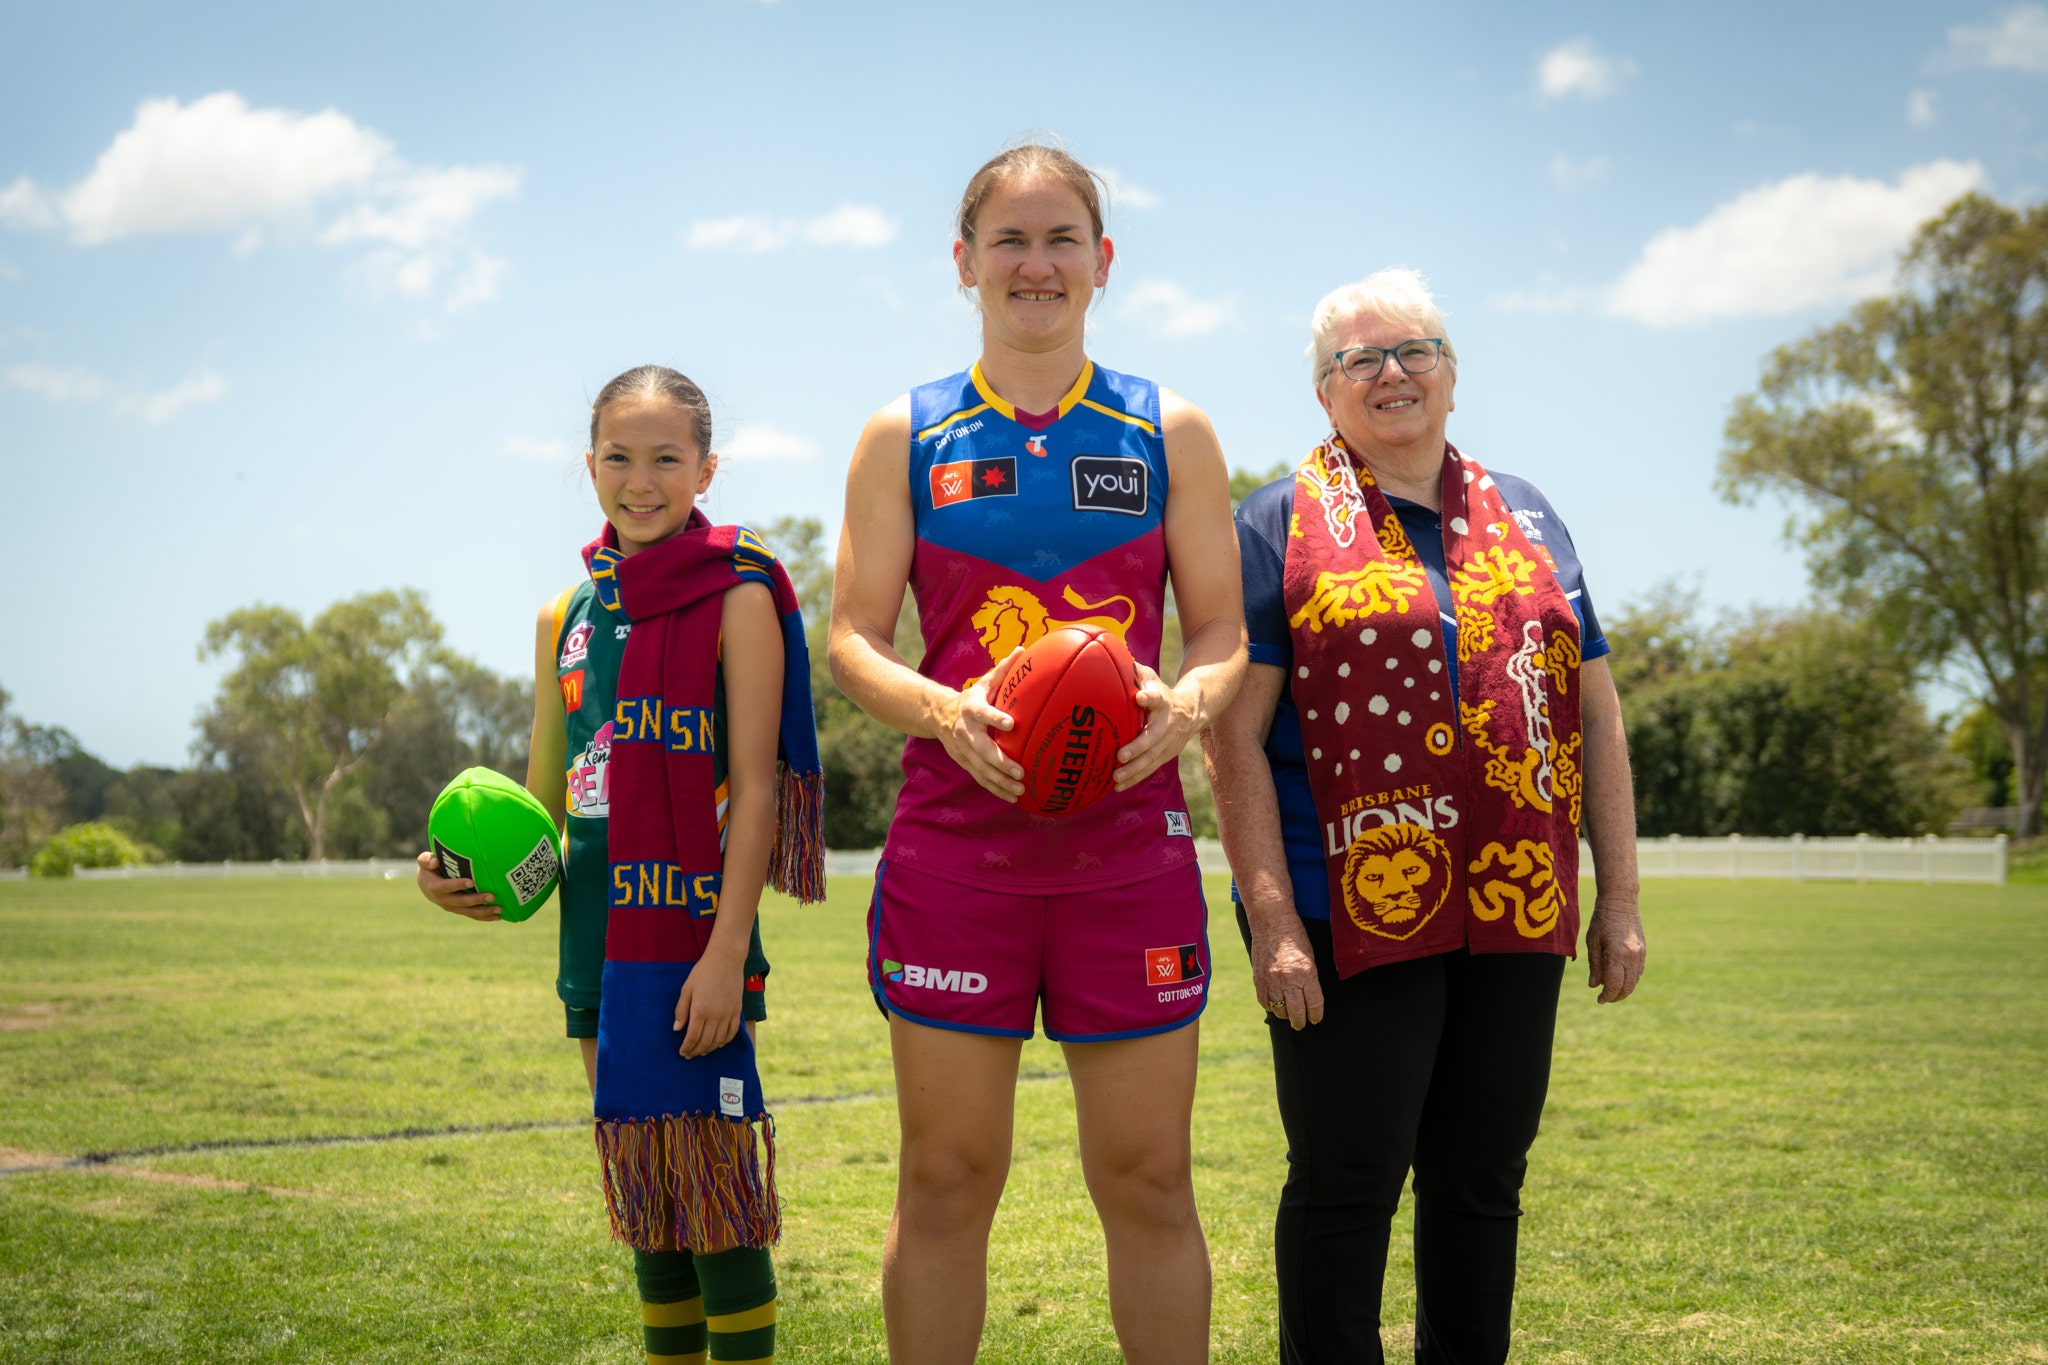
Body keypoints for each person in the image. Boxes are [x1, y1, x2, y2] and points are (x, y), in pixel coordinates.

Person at [828, 143, 1247, 1365]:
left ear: (1102, 263)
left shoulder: (1168, 428)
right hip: (957, 857)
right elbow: (850, 638)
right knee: (947, 1179)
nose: (1035, 263)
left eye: (1061, 238)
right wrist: (944, 712)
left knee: (1150, 1180)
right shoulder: (899, 434)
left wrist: (1190, 702)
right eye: (1008, 241)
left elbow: (1218, 629)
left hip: (1129, 853)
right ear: (962, 264)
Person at [1203, 269, 1646, 1365]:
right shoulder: (1271, 522)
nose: (1390, 374)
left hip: (1516, 894)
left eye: (1414, 351)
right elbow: (1231, 735)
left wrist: (1620, 898)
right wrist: (1270, 919)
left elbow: (1593, 710)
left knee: (1481, 1179)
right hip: (1345, 901)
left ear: (1452, 372)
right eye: (1360, 359)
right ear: (1324, 393)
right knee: (1349, 1181)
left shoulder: (1532, 515)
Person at [416, 364, 824, 1365]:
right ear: (587, 464)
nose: (640, 481)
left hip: (695, 940)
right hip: (596, 947)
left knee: (717, 1199)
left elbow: (759, 791)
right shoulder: (565, 617)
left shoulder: (737, 598)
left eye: (665, 459)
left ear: (706, 468)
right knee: (647, 1197)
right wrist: (455, 872)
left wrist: (728, 954)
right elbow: (549, 807)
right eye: (618, 457)